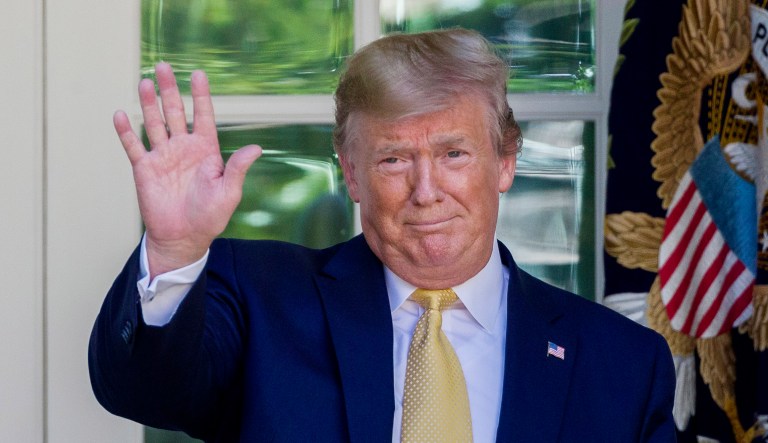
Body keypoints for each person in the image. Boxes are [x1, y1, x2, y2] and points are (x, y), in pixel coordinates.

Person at [89, 28, 676, 442]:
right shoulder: (260, 300)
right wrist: (174, 252)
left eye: (453, 153)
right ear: (351, 174)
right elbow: (144, 393)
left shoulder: (622, 362)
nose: (426, 190)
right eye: (394, 160)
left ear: (505, 161)